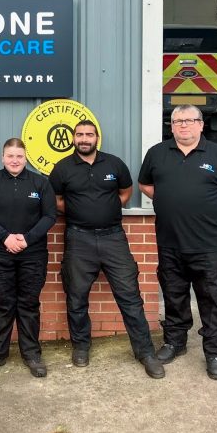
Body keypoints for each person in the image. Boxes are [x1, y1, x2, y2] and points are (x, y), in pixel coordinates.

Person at [138, 104, 217, 380]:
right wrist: (171, 200)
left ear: (201, 124)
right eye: (177, 121)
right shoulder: (157, 154)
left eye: (189, 120)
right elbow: (146, 186)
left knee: (212, 299)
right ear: (171, 126)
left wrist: (207, 206)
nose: (183, 126)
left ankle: (215, 353)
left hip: (208, 246)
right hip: (170, 243)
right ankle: (175, 343)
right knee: (174, 296)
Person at [49, 121, 165, 379]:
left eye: (89, 134)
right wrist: (80, 211)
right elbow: (56, 200)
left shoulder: (114, 164)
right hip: (79, 239)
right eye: (79, 135)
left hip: (114, 238)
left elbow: (125, 192)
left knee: (130, 297)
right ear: (73, 139)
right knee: (76, 297)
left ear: (97, 138)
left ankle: (145, 352)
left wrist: (107, 209)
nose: (84, 139)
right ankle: (81, 346)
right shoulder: (62, 168)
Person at [0, 138, 56, 378]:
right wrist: (5, 238)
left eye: (19, 156)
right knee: (3, 303)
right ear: (2, 158)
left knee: (29, 304)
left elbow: (50, 216)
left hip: (33, 254)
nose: (14, 160)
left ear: (26, 157)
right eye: (10, 156)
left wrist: (27, 239)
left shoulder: (40, 183)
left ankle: (31, 353)